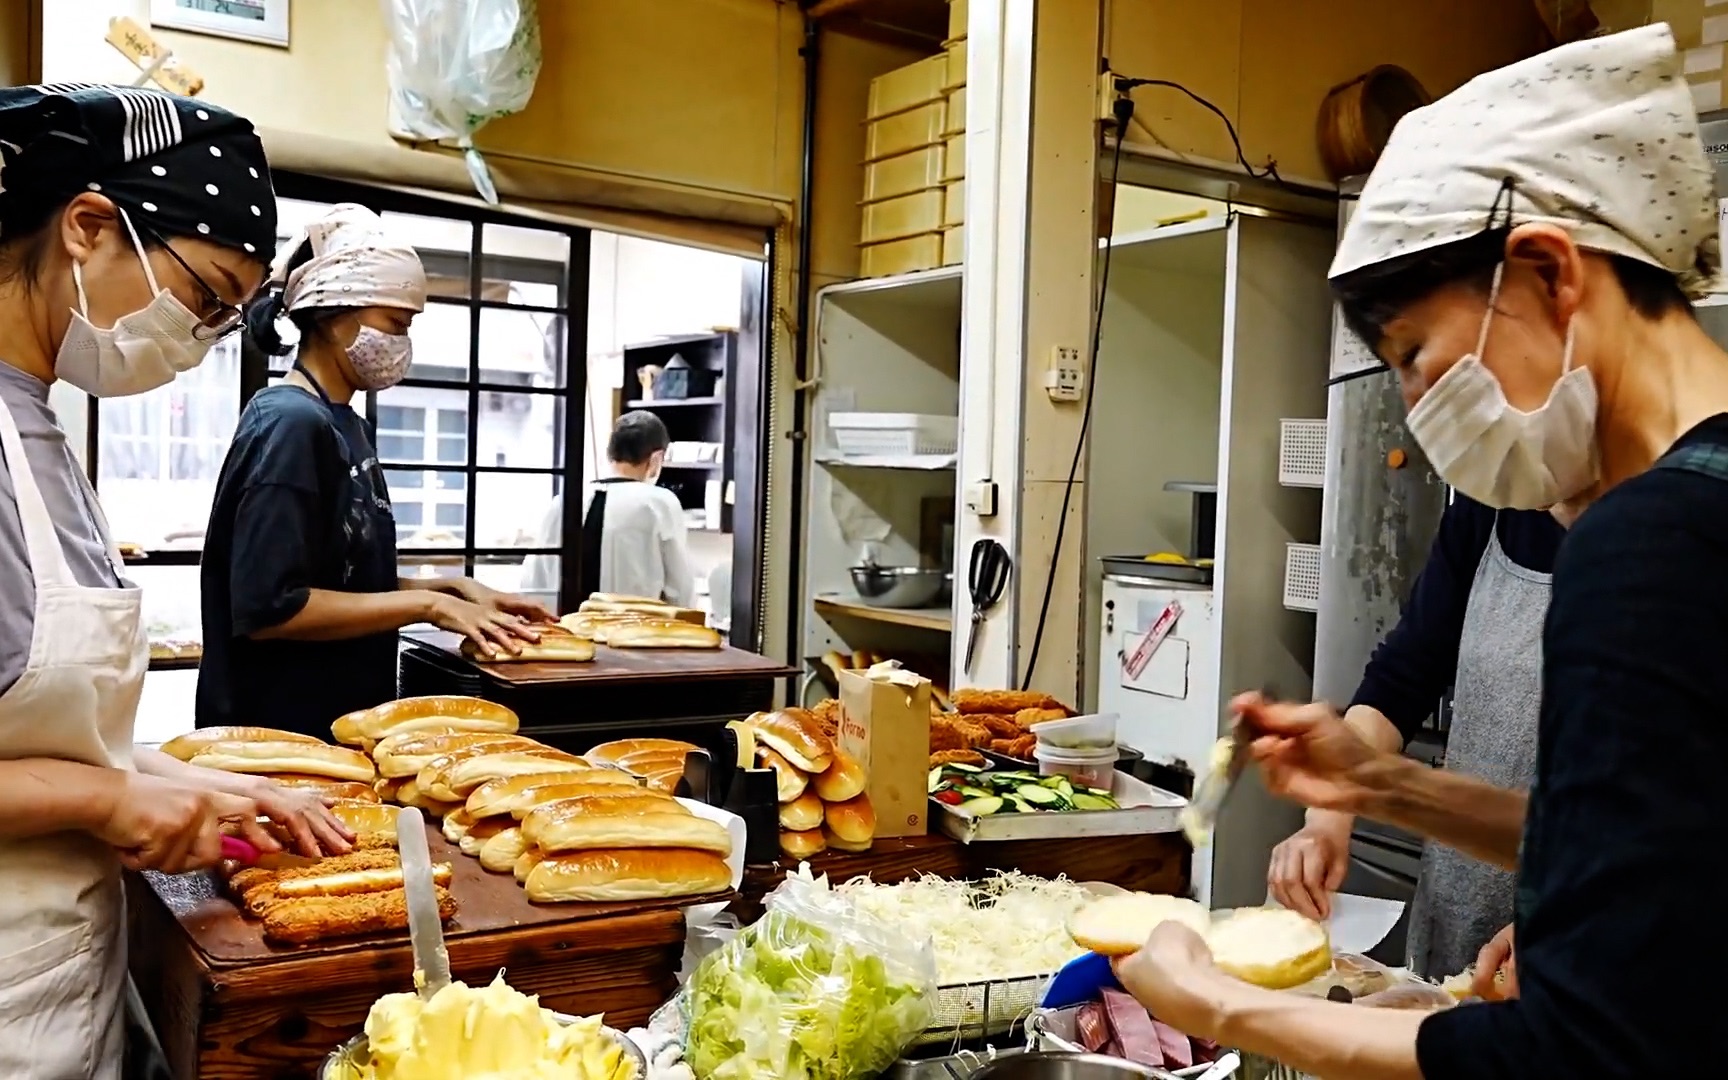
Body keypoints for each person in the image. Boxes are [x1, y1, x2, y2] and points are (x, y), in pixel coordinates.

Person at [1111, 24, 1728, 1078]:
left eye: (1413, 355)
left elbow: (1578, 1051)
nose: (1415, 408)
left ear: (1545, 271)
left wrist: (1223, 1004)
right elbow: (1664, 852)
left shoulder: (1649, 544)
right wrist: (1384, 784)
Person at [0, 85, 349, 1079]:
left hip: (55, 986)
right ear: (88, 225)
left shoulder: (41, 428)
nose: (198, 342)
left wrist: (185, 779)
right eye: (204, 299)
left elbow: (34, 725)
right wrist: (106, 804)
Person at [196, 205, 551, 736]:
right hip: (278, 734)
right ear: (338, 317)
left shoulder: (345, 425)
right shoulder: (290, 423)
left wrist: (450, 589)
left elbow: (339, 580)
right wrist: (426, 606)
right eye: (397, 324)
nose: (402, 343)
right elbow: (271, 609)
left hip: (342, 720)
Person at [1267, 495, 1564, 979]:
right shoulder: (1491, 504)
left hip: (1595, 930)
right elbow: (1405, 674)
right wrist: (1327, 817)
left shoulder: (1681, 525)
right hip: (1460, 901)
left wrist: (1578, 916)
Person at [573, 410, 694, 606]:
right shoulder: (659, 503)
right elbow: (680, 589)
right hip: (636, 630)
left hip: (563, 629)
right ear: (656, 458)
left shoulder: (565, 500)